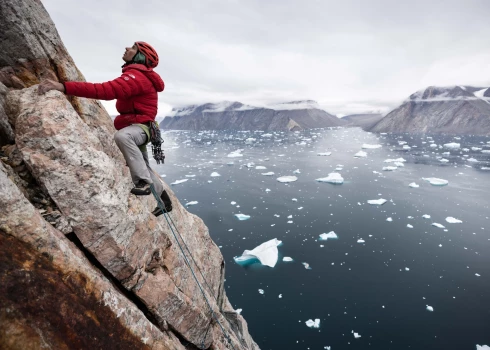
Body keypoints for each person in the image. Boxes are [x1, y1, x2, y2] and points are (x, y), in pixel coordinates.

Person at [38, 41, 172, 216]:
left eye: (132, 48)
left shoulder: (137, 77)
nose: (126, 48)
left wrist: (64, 87)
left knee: (124, 137)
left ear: (140, 56)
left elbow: (104, 90)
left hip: (140, 128)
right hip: (143, 127)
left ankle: (143, 183)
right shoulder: (138, 75)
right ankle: (165, 203)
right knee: (144, 166)